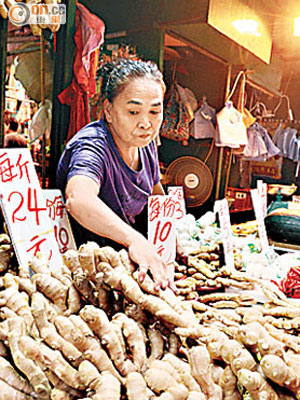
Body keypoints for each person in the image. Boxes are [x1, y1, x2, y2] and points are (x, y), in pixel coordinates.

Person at [57, 58, 175, 291]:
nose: (146, 123)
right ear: (109, 111)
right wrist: (135, 240)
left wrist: (171, 233)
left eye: (154, 112)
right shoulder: (92, 146)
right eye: (133, 111)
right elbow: (79, 199)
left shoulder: (145, 143)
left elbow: (155, 191)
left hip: (124, 268)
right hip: (83, 273)